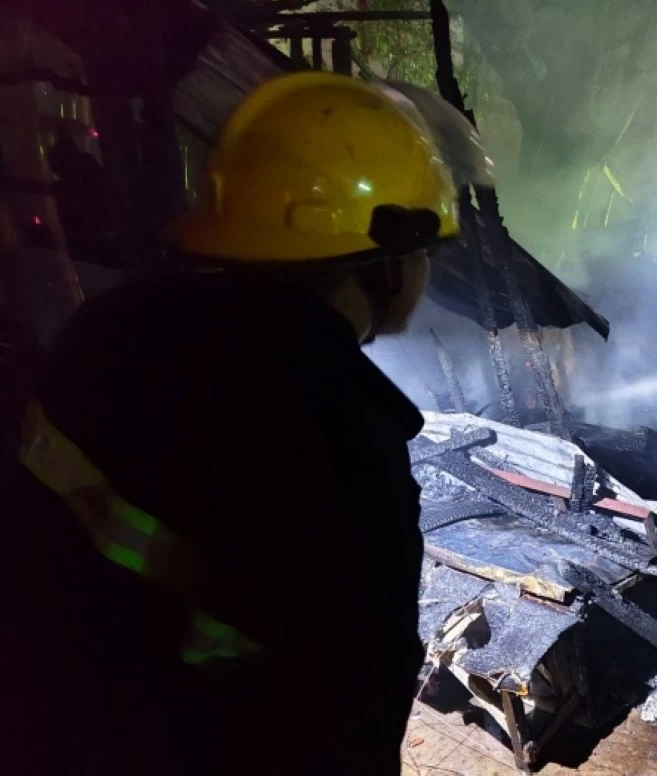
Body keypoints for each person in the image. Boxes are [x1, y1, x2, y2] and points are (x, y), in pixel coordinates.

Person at [0, 72, 476, 774]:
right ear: (388, 262)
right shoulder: (342, 440)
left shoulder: (105, 333)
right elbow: (350, 716)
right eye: (426, 253)